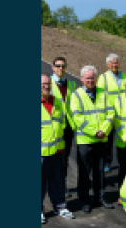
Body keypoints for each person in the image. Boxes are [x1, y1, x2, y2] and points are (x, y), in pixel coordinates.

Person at [68, 65, 116, 213]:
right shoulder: (76, 95)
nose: (90, 80)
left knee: (100, 171)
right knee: (84, 172)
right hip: (85, 141)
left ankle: (100, 198)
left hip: (101, 140)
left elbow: (110, 113)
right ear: (82, 79)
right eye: (87, 78)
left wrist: (104, 130)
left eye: (92, 77)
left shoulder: (103, 93)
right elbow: (77, 118)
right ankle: (85, 201)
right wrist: (95, 132)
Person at [41, 75, 75, 223]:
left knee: (58, 181)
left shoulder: (58, 103)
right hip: (41, 152)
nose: (46, 86)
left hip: (58, 150)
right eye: (43, 84)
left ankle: (60, 206)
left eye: (48, 84)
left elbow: (61, 124)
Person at [50, 57, 77, 199]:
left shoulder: (71, 84)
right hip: (52, 127)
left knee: (64, 159)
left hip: (67, 127)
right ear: (52, 67)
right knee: (49, 158)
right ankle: (48, 186)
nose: (60, 68)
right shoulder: (47, 83)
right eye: (58, 66)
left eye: (63, 66)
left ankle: (61, 186)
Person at [98, 54, 126, 174]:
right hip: (109, 114)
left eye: (116, 63)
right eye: (112, 63)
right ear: (107, 65)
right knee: (108, 141)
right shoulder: (103, 78)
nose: (114, 65)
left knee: (122, 138)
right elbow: (100, 97)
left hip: (122, 113)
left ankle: (121, 161)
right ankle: (107, 163)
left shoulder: (124, 76)